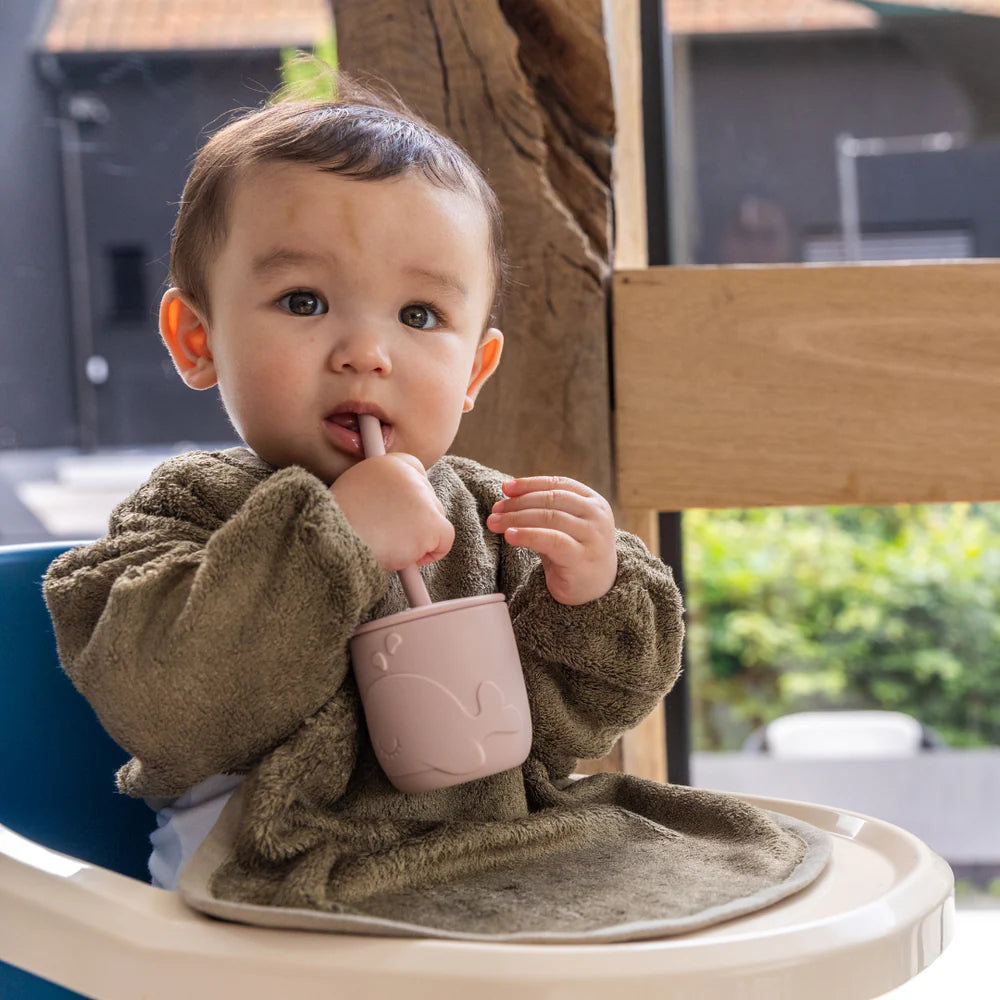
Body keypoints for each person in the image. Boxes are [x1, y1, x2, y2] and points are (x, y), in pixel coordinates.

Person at [42, 87, 696, 922]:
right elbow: (164, 701)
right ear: (196, 339)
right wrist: (334, 540)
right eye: (304, 302)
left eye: (419, 315)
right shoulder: (187, 514)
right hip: (265, 900)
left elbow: (567, 728)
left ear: (473, 373)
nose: (366, 354)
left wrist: (592, 597)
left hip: (488, 866)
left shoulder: (493, 516)